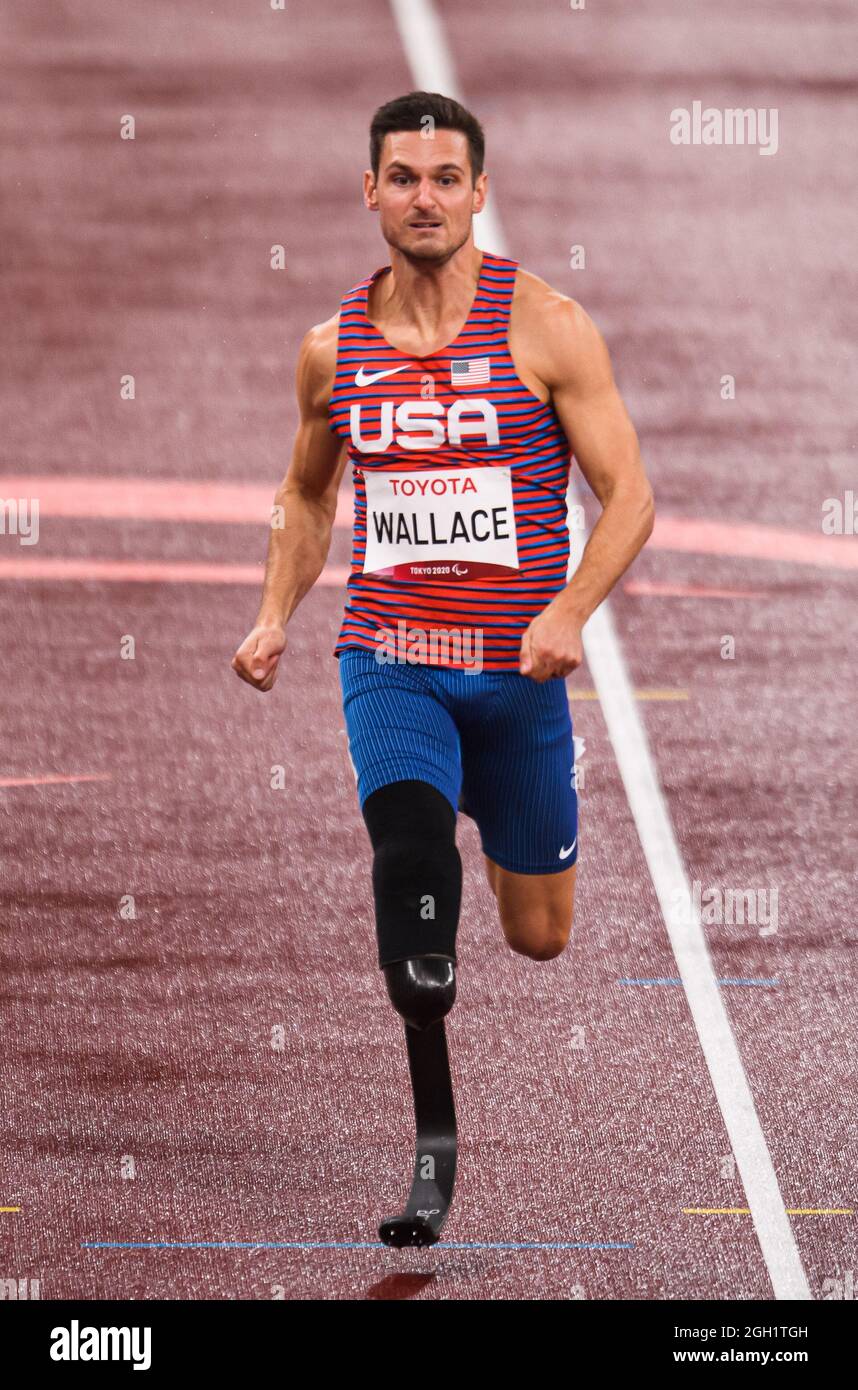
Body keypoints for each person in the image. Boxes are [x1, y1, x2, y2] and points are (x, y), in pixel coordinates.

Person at [232, 90, 654, 1039]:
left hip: (519, 664)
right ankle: (432, 1111)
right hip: (392, 655)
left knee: (540, 935)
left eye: (447, 180)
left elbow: (630, 496)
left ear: (479, 194)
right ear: (370, 192)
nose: (426, 198)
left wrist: (569, 614)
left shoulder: (547, 327)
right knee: (414, 849)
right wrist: (273, 614)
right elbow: (306, 495)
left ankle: (492, 782)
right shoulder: (331, 349)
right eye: (404, 179)